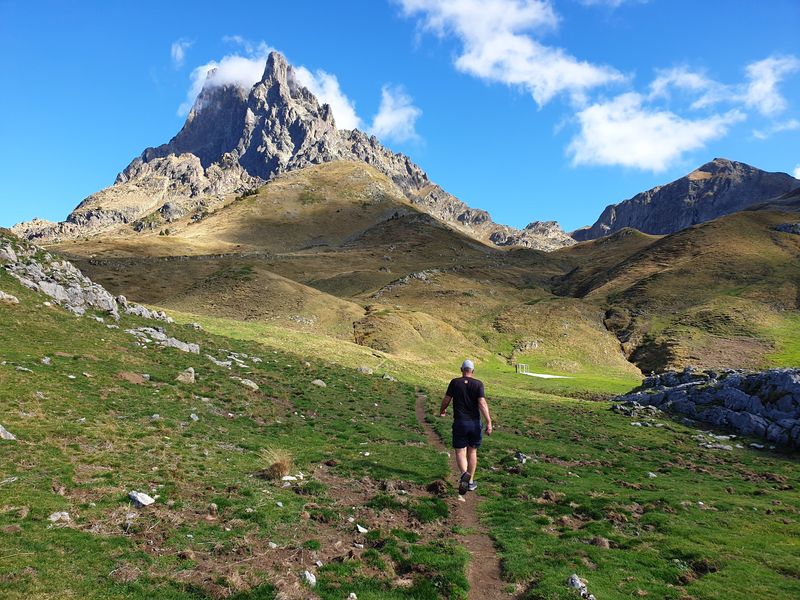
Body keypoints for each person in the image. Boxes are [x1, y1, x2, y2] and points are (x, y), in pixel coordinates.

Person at [439, 359, 493, 495]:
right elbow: (482, 403)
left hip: (460, 422)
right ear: (472, 371)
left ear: (461, 369)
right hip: (475, 423)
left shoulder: (455, 382)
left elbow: (447, 399)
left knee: (460, 452)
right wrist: (489, 422)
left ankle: (464, 474)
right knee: (472, 452)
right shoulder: (478, 384)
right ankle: (470, 482)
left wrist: (442, 410)